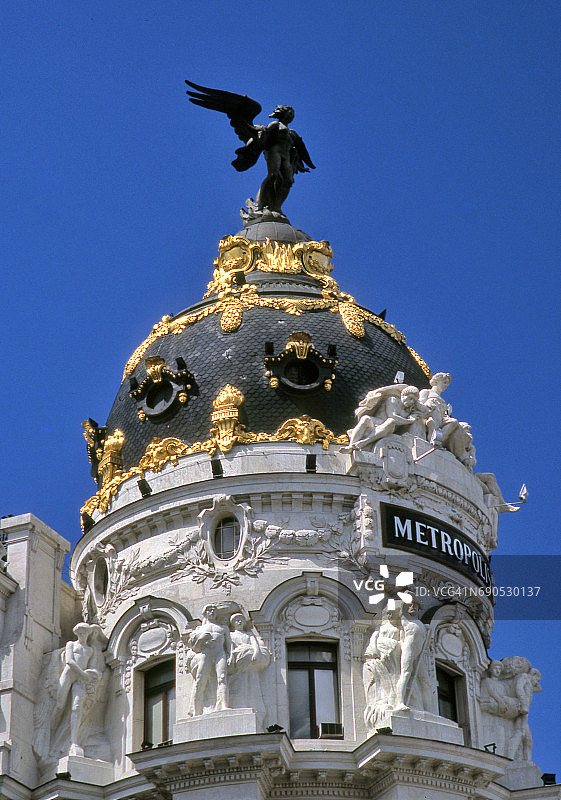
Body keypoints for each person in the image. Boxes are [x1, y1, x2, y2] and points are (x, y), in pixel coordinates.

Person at [187, 605, 231, 716]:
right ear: (205, 613)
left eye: (214, 610)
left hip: (220, 654)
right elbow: (195, 649)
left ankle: (223, 705)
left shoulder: (223, 628)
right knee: (200, 680)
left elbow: (229, 645)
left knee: (222, 678)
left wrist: (230, 656)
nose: (212, 612)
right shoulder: (199, 629)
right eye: (209, 610)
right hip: (206, 655)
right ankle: (196, 710)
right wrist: (201, 639)